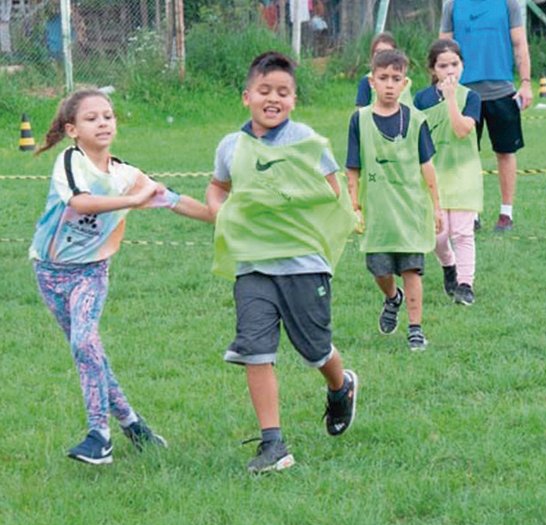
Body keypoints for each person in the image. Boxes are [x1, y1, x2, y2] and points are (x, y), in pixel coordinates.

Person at [29, 88, 212, 465]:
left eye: (108, 116)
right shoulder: (71, 162)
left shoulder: (128, 175)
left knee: (84, 343)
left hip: (91, 273)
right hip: (48, 272)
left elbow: (174, 200)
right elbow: (80, 202)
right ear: (72, 129)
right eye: (91, 118)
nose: (102, 123)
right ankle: (132, 424)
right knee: (89, 350)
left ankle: (99, 435)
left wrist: (222, 215)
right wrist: (133, 200)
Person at [206, 51, 360, 474]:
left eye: (283, 92)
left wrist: (287, 202)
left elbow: (334, 192)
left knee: (314, 350)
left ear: (293, 100)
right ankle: (273, 444)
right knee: (255, 351)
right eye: (264, 91)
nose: (273, 99)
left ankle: (340, 385)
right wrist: (224, 212)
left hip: (302, 265)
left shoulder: (306, 142)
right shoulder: (231, 147)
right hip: (253, 266)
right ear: (247, 96)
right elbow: (217, 189)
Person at [346, 49, 443, 350]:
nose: (389, 84)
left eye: (396, 79)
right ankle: (392, 297)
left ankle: (416, 328)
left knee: (412, 269)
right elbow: (353, 166)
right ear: (371, 81)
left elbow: (427, 165)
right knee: (381, 270)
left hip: (411, 211)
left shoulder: (416, 120)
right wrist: (353, 202)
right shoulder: (359, 120)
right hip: (378, 214)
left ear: (405, 83)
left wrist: (436, 206)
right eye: (383, 78)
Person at [440, 0, 532, 232]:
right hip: (464, 93)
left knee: (505, 152)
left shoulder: (508, 4)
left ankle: (506, 213)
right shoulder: (452, 6)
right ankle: (471, 214)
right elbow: (442, 50)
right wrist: (443, 87)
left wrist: (526, 83)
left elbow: (520, 44)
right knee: (465, 155)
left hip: (502, 91)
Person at [414, 38, 483, 306]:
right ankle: (449, 265)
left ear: (462, 65)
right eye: (443, 65)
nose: (450, 70)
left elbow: (462, 129)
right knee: (438, 235)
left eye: (455, 64)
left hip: (464, 173)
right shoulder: (421, 99)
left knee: (463, 233)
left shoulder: (471, 97)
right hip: (434, 175)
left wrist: (452, 98)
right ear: (433, 70)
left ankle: (466, 284)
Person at [354, 31, 413, 108]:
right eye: (378, 52)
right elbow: (360, 110)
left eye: (387, 52)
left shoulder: (405, 81)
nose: (383, 56)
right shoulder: (367, 81)